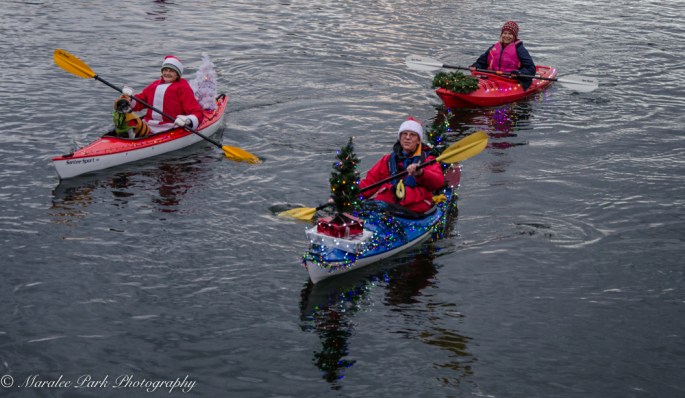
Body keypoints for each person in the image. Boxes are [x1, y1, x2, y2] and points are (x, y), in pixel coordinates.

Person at [358, 117, 445, 214]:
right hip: (388, 205)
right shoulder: (387, 160)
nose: (407, 137)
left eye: (412, 135)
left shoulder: (428, 160)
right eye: (404, 134)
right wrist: (350, 193)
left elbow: (438, 182)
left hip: (414, 208)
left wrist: (421, 173)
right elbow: (370, 182)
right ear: (400, 138)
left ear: (418, 140)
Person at [119, 55, 204, 135]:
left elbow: (197, 113)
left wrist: (188, 120)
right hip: (148, 125)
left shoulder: (183, 87)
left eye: (171, 71)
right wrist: (128, 100)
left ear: (177, 74)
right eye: (165, 70)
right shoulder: (154, 85)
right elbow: (141, 101)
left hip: (172, 127)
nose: (167, 73)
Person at [470, 20, 536, 90]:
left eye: (510, 34)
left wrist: (519, 72)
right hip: (491, 78)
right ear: (501, 34)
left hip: (510, 80)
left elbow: (531, 68)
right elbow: (481, 62)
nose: (507, 36)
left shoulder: (519, 49)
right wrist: (476, 66)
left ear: (514, 36)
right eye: (505, 33)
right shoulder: (494, 47)